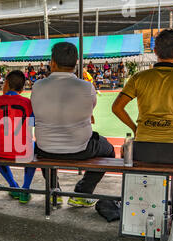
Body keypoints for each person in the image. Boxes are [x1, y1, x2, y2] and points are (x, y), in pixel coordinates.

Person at [112, 29, 173, 205]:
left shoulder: (139, 77)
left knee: (125, 150)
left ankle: (142, 199)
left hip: (142, 149)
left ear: (155, 51)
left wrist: (135, 128)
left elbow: (117, 107)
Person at [31, 42, 115, 208]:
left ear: (52, 63)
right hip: (80, 149)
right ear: (76, 63)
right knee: (109, 150)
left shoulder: (37, 86)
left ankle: (54, 190)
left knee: (43, 148)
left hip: (44, 149)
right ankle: (83, 193)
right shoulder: (87, 87)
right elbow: (90, 109)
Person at [0, 70, 36, 204]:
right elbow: (31, 126)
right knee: (33, 148)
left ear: (7, 83)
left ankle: (13, 186)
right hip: (23, 151)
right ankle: (25, 189)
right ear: (21, 89)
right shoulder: (28, 103)